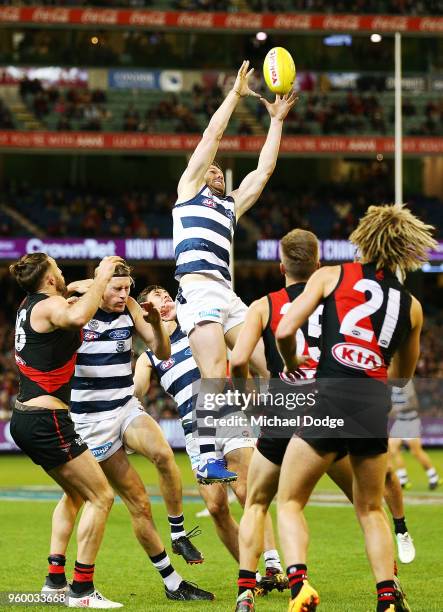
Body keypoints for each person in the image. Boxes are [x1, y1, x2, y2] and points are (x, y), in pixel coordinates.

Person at [229, 228, 414, 611]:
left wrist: (249, 401)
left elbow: (239, 359)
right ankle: (390, 589)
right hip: (348, 402)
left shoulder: (265, 304)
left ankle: (249, 592)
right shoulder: (382, 297)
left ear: (281, 266)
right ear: (317, 263)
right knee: (367, 507)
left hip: (288, 406)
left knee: (261, 502)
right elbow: (400, 374)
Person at [275, 204, 436, 611]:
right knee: (370, 509)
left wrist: (293, 364)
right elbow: (401, 376)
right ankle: (387, 599)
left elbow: (285, 329)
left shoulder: (332, 275)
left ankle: (300, 586)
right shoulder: (412, 307)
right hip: (371, 404)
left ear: (363, 238)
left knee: (290, 500)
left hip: (330, 394)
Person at [50, 262, 213, 602]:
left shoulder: (132, 309)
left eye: (127, 288)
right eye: (116, 289)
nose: (124, 295)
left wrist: (154, 323)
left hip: (124, 407)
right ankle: (171, 583)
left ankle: (179, 531)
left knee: (164, 454)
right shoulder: (76, 310)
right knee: (137, 503)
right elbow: (51, 300)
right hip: (92, 422)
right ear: (100, 287)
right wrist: (86, 284)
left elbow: (163, 351)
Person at [173, 60, 298, 483]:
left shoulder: (229, 207)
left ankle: (292, 432)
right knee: (216, 369)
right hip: (198, 291)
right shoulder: (187, 191)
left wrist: (276, 122)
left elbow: (263, 171)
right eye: (209, 167)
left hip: (227, 295)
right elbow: (213, 136)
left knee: (272, 367)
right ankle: (209, 456)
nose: (214, 170)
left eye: (218, 171)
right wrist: (236, 94)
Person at [134, 285, 286, 596]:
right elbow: (135, 390)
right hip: (195, 429)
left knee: (246, 491)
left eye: (165, 294)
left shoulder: (200, 326)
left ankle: (273, 564)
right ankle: (253, 576)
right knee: (216, 507)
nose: (164, 299)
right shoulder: (149, 356)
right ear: (145, 312)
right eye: (155, 298)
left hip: (227, 412)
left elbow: (243, 352)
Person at [9, 252, 124, 608]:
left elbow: (76, 303)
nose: (62, 272)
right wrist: (102, 275)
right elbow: (75, 316)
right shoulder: (49, 306)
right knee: (101, 497)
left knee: (75, 495)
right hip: (48, 421)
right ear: (47, 279)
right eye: (57, 269)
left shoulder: (33, 305)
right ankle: (82, 591)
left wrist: (82, 287)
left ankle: (54, 581)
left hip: (31, 417)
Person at [390, 380, 441, 491]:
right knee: (392, 449)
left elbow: (413, 403)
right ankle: (403, 480)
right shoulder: (393, 385)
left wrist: (395, 409)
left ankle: (434, 477)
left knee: (416, 451)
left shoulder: (406, 383)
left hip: (411, 421)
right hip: (400, 421)